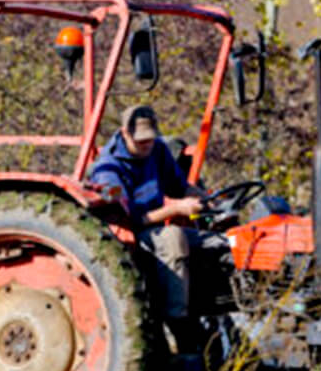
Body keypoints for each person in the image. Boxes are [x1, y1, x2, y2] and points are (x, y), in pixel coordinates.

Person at [89, 105, 227, 354]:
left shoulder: (158, 150)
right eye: (141, 141)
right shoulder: (108, 171)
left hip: (155, 227)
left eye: (151, 139)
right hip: (133, 236)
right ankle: (179, 325)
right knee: (173, 238)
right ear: (125, 134)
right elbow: (132, 220)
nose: (147, 145)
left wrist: (210, 201)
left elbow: (179, 187)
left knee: (223, 242)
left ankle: (219, 315)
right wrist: (176, 210)